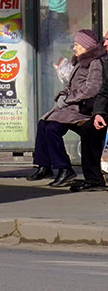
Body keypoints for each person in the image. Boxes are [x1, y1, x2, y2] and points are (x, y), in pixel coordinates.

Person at [26, 29, 105, 188]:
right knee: (43, 123)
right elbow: (72, 86)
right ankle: (44, 165)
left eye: (77, 45)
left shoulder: (94, 63)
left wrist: (69, 99)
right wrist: (62, 96)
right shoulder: (79, 61)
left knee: (53, 128)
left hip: (82, 109)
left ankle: (64, 168)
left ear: (86, 46)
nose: (74, 48)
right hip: (72, 107)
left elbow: (92, 88)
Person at [74, 31, 108, 192]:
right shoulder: (106, 62)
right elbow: (104, 91)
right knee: (89, 129)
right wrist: (98, 114)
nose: (105, 44)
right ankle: (94, 179)